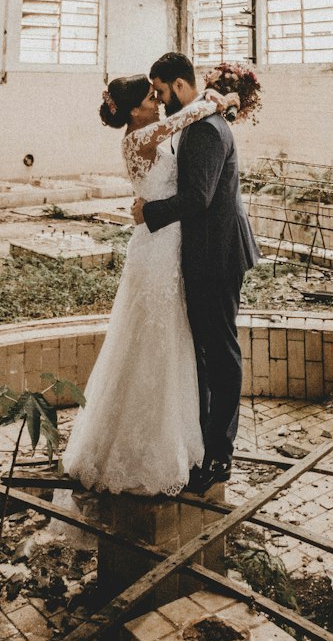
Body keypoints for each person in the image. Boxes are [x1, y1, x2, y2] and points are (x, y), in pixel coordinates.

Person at [61, 72, 238, 498]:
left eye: (157, 92)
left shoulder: (146, 136)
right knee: (153, 339)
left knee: (169, 339)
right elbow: (188, 115)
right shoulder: (141, 137)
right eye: (150, 96)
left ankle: (177, 434)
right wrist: (218, 97)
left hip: (165, 242)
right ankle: (146, 445)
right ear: (135, 108)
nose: (157, 101)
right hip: (158, 247)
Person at [132, 52, 260, 495]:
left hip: (219, 255)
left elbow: (199, 198)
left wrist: (149, 212)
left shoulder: (203, 130)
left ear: (180, 87)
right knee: (206, 350)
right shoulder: (195, 121)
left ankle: (219, 455)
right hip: (206, 253)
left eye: (163, 92)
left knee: (220, 353)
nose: (161, 100)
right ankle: (203, 442)